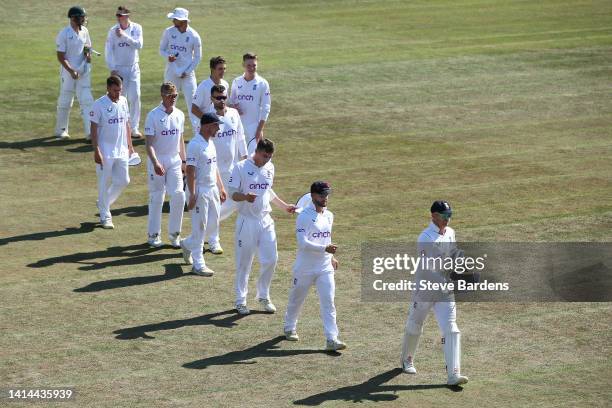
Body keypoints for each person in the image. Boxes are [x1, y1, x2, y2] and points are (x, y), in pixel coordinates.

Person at [400, 200, 469, 386]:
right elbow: (427, 270)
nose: (448, 219)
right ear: (434, 216)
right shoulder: (425, 238)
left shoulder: (451, 232)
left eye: (450, 215)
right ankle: (407, 360)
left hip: (445, 292)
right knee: (415, 325)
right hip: (425, 290)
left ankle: (453, 374)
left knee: (451, 329)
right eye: (445, 216)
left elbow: (453, 254)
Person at [226, 139, 296, 315]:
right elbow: (232, 193)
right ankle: (240, 301)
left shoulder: (270, 167)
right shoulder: (240, 167)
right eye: (265, 156)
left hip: (266, 220)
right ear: (256, 151)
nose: (267, 160)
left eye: (270, 157)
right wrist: (245, 197)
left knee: (271, 259)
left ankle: (263, 295)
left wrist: (284, 206)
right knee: (244, 263)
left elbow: (268, 191)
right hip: (246, 221)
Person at [283, 181, 346, 351]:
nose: (325, 198)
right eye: (321, 195)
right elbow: (302, 243)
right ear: (312, 196)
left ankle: (332, 339)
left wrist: (331, 256)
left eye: (326, 195)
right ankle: (289, 327)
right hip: (305, 268)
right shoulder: (304, 216)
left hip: (324, 267)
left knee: (329, 302)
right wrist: (324, 248)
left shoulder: (329, 215)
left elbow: (327, 238)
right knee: (297, 300)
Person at [180, 113, 227, 276]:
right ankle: (198, 264)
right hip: (199, 189)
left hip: (212, 188)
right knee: (200, 227)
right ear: (208, 126)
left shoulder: (211, 143)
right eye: (216, 125)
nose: (218, 129)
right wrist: (192, 194)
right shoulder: (195, 145)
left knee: (212, 225)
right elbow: (190, 171)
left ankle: (186, 244)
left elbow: (215, 167)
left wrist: (221, 187)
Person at [203, 84, 247, 255]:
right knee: (216, 205)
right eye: (217, 97)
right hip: (213, 169)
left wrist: (244, 160)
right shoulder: (208, 118)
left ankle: (202, 231)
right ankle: (213, 241)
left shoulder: (234, 114)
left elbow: (241, 137)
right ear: (211, 99)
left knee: (235, 202)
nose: (221, 100)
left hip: (232, 167)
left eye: (223, 97)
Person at [144, 82, 186, 248]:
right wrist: (155, 162)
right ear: (162, 96)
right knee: (157, 197)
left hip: (174, 160)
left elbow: (181, 139)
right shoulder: (153, 116)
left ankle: (175, 235)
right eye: (170, 96)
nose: (173, 99)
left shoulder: (180, 114)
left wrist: (184, 161)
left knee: (179, 195)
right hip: (158, 159)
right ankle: (153, 235)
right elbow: (148, 144)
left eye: (175, 96)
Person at [90, 75, 133, 229]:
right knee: (103, 183)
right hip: (105, 151)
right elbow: (93, 129)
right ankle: (105, 216)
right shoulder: (98, 104)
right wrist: (96, 150)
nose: (118, 93)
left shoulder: (123, 101)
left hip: (121, 150)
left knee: (124, 180)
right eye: (115, 90)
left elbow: (127, 124)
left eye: (120, 90)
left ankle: (104, 202)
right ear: (108, 88)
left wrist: (130, 146)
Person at [54, 6, 95, 140]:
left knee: (87, 101)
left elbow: (88, 47)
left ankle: (90, 133)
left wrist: (87, 55)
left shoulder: (85, 31)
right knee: (65, 101)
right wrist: (71, 70)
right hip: (68, 72)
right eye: (81, 17)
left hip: (83, 71)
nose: (84, 19)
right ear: (74, 18)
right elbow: (60, 56)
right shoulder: (64, 33)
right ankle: (61, 130)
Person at [159, 7, 202, 134]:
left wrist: (187, 71)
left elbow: (198, 57)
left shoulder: (194, 36)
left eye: (175, 19)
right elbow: (161, 49)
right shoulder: (168, 32)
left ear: (183, 21)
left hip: (187, 75)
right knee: (168, 101)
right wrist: (168, 56)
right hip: (171, 71)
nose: (173, 21)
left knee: (193, 103)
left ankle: (197, 132)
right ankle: (166, 129)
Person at [105, 6, 144, 138]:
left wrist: (124, 36)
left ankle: (134, 127)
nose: (120, 17)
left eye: (122, 15)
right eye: (118, 15)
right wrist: (112, 68)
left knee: (136, 96)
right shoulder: (112, 31)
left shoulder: (137, 28)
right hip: (119, 68)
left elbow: (139, 45)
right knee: (121, 98)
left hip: (133, 67)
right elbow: (108, 51)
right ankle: (121, 125)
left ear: (127, 16)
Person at [228, 53, 271, 154]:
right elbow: (230, 102)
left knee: (251, 158)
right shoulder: (236, 81)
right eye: (249, 65)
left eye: (254, 65)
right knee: (237, 157)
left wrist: (259, 130)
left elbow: (266, 108)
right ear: (243, 65)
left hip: (253, 128)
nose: (251, 68)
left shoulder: (262, 83)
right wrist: (233, 107)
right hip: (237, 126)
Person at [191, 56, 229, 137]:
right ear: (212, 69)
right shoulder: (203, 86)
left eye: (224, 69)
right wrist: (209, 121)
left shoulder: (225, 84)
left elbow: (224, 105)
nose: (223, 71)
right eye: (220, 69)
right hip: (206, 129)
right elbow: (194, 109)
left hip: (220, 127)